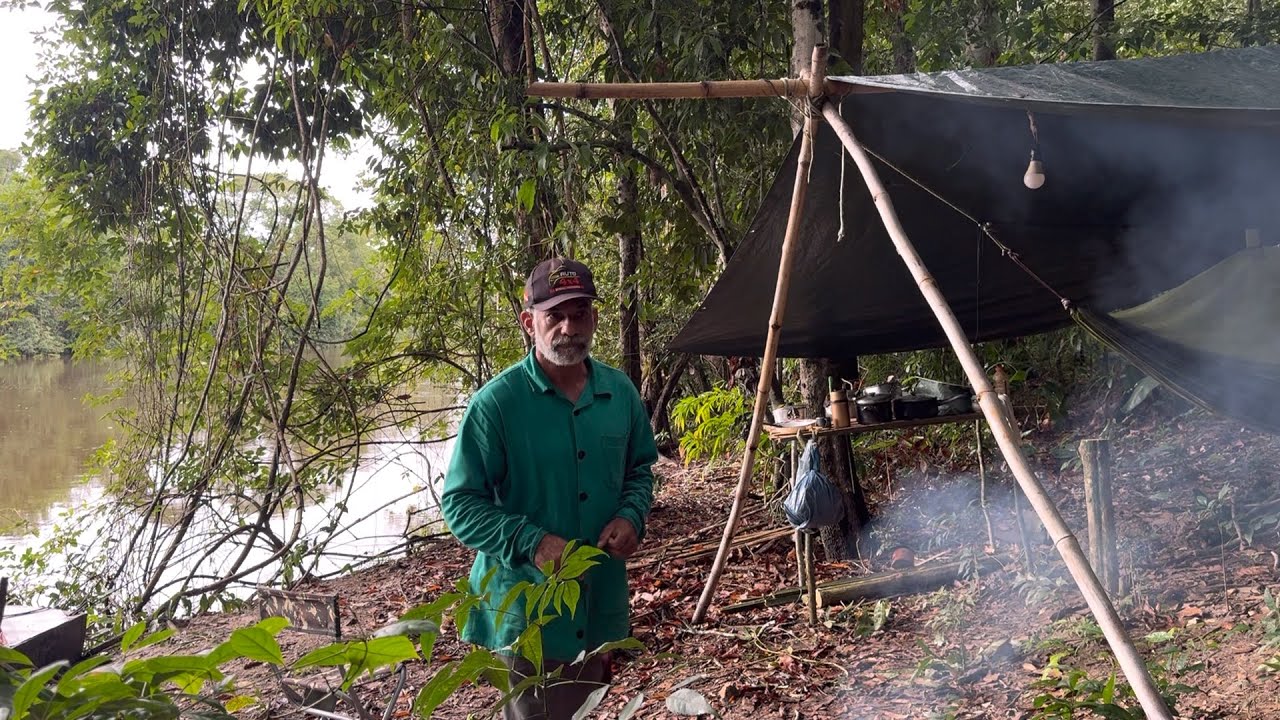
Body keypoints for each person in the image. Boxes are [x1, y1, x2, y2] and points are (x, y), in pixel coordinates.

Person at [441, 257, 658, 719]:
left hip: (598, 602)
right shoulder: (497, 405)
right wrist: (533, 542)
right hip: (527, 614)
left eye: (579, 314)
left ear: (594, 319)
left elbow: (640, 470)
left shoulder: (619, 395)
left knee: (582, 708)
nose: (568, 327)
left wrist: (630, 515)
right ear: (529, 323)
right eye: (554, 316)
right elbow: (459, 504)